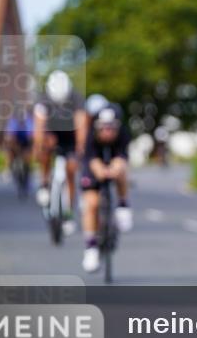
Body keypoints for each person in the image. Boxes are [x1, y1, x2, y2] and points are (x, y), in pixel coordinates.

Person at [79, 104, 133, 272]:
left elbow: (122, 158)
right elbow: (91, 160)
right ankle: (91, 247)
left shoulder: (123, 134)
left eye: (111, 128)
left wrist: (115, 169)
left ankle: (123, 205)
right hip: (94, 164)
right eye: (104, 128)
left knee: (122, 172)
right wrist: (100, 171)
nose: (108, 132)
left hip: (114, 161)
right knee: (92, 204)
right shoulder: (90, 136)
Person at [33, 70, 88, 235]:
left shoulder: (76, 98)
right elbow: (39, 126)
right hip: (52, 133)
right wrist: (39, 145)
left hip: (70, 135)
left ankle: (68, 212)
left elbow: (81, 125)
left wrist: (80, 146)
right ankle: (44, 182)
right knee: (44, 150)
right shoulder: (43, 99)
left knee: (71, 170)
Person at [4, 110, 35, 191]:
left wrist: (29, 149)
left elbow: (31, 137)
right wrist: (14, 148)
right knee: (9, 151)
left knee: (27, 156)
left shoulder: (28, 121)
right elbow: (10, 136)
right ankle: (8, 168)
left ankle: (27, 173)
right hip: (16, 141)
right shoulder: (13, 122)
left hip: (25, 141)